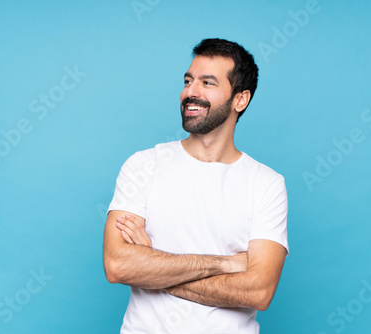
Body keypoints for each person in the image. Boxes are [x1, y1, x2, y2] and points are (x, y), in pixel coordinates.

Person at [103, 38, 289, 334]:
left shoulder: (266, 184)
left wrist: (153, 267)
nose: (191, 92)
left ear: (240, 99)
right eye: (188, 80)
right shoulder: (143, 166)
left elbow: (258, 292)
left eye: (208, 83)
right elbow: (118, 266)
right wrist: (224, 264)